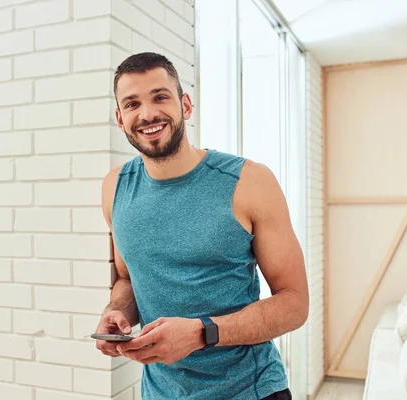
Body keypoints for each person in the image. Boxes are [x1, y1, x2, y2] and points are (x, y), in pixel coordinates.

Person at [94, 52, 309, 400]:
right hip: (160, 393)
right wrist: (116, 311)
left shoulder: (249, 181)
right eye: (132, 104)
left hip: (249, 391)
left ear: (186, 105)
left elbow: (295, 304)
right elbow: (128, 278)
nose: (147, 114)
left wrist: (200, 333)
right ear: (120, 119)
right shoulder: (115, 188)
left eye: (160, 97)